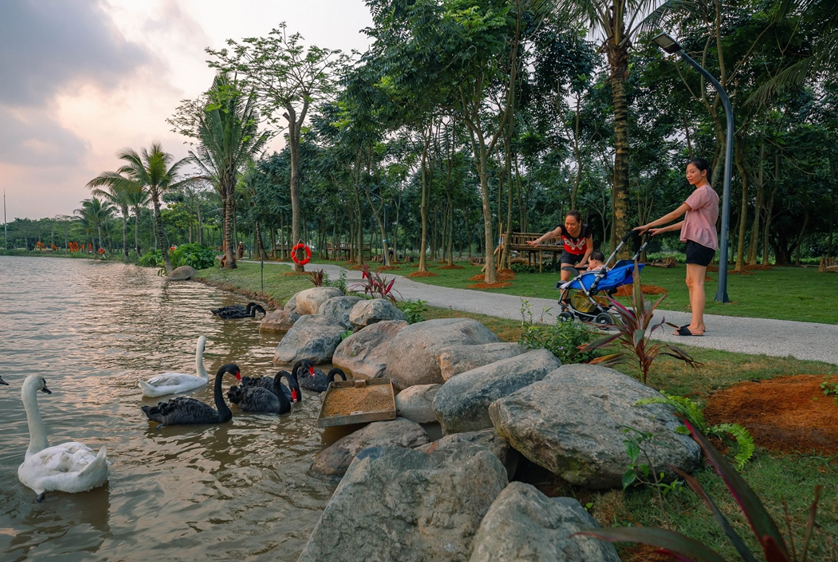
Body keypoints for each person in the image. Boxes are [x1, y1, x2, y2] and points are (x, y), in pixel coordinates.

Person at [635, 158, 719, 336]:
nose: (688, 175)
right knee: (691, 282)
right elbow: (687, 221)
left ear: (703, 172)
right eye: (687, 171)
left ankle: (696, 327)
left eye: (692, 171)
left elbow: (675, 214)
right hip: (701, 241)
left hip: (700, 241)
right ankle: (699, 323)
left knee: (696, 283)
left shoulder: (701, 192)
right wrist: (661, 229)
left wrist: (647, 225)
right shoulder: (709, 193)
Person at [527, 210, 594, 282]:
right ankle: (564, 292)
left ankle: (581, 292)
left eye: (572, 224)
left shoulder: (586, 230)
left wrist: (582, 263)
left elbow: (590, 248)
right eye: (567, 223)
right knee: (563, 281)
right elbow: (552, 233)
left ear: (579, 222)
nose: (569, 227)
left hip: (584, 254)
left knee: (585, 280)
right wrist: (539, 240)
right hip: (568, 254)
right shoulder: (562, 229)